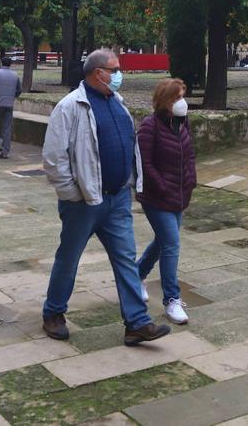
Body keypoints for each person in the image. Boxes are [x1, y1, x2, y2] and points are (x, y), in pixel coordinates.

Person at [41, 48, 170, 347]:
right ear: (98, 72)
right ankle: (53, 313)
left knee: (126, 259)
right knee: (69, 259)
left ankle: (137, 323)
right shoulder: (70, 106)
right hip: (83, 203)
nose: (119, 75)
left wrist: (133, 182)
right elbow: (53, 158)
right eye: (115, 70)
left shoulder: (118, 104)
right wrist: (73, 193)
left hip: (117, 200)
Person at [137, 78, 197, 325]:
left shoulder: (181, 123)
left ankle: (135, 276)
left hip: (179, 194)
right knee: (171, 244)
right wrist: (162, 186)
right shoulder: (149, 126)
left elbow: (189, 154)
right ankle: (172, 300)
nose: (182, 102)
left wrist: (191, 180)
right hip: (157, 198)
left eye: (183, 96)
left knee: (162, 242)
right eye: (176, 98)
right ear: (165, 101)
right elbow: (145, 163)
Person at [0, 56, 21, 159]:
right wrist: (12, 97)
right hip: (9, 105)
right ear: (10, 64)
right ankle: (5, 151)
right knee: (7, 128)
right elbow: (19, 90)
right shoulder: (15, 75)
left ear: (1, 63)